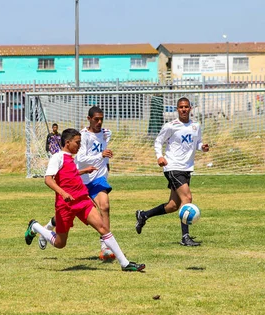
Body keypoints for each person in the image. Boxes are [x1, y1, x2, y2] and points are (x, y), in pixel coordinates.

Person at [24, 128, 145, 272]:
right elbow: (48, 180)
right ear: (67, 143)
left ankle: (125, 264)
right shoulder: (58, 157)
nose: (80, 145)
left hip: (82, 200)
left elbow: (70, 174)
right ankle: (35, 226)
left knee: (103, 228)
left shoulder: (71, 159)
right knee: (59, 243)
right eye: (77, 142)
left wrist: (83, 171)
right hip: (65, 205)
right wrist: (62, 193)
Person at [38, 107, 116, 261]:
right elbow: (80, 159)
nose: (99, 122)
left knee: (105, 206)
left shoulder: (106, 133)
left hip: (97, 178)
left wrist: (105, 162)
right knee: (67, 214)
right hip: (80, 181)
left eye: (101, 119)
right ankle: (47, 228)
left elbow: (102, 149)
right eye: (96, 119)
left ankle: (105, 247)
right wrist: (100, 155)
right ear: (89, 119)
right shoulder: (82, 136)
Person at [135, 97, 210, 246]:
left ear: (190, 108)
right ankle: (185, 237)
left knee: (173, 206)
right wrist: (160, 156)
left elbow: (197, 143)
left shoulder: (196, 126)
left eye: (186, 107)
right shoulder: (171, 126)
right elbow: (158, 141)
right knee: (187, 198)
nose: (184, 109)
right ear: (177, 109)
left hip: (186, 168)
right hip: (173, 167)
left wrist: (202, 147)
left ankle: (143, 215)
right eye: (181, 107)